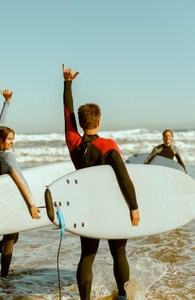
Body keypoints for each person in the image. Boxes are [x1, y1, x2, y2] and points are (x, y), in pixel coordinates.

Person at [62, 64, 140, 300]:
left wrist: (67, 83)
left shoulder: (73, 142)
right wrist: (134, 207)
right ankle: (123, 297)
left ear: (81, 121)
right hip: (112, 206)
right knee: (119, 253)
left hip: (87, 207)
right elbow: (123, 177)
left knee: (87, 255)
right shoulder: (108, 145)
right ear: (99, 120)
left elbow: (67, 115)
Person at [0, 89, 40, 277]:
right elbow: (20, 181)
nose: (12, 142)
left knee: (12, 235)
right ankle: (4, 276)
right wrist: (31, 204)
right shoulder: (7, 157)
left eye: (13, 139)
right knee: (12, 236)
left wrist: (7, 102)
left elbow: (1, 124)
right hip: (11, 197)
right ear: (1, 140)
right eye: (10, 139)